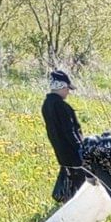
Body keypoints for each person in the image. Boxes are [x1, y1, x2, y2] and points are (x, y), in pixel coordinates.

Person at [41, 69, 84, 204]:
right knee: (80, 177)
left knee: (67, 171)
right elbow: (69, 131)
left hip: (60, 148)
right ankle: (73, 202)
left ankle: (64, 197)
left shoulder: (46, 104)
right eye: (67, 88)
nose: (68, 92)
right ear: (60, 87)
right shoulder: (61, 106)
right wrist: (80, 148)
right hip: (71, 149)